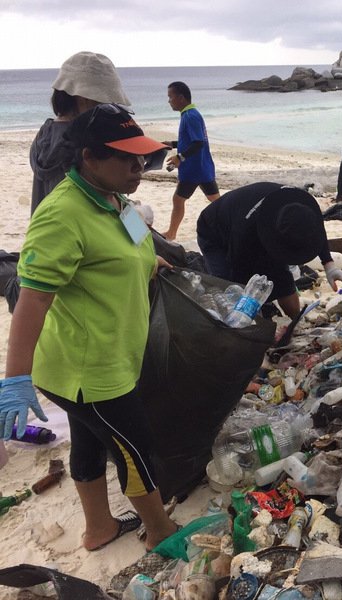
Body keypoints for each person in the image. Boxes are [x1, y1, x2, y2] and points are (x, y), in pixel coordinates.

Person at [0, 104, 178, 551]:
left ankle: (98, 528)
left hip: (108, 360)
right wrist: (15, 378)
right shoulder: (61, 214)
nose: (139, 167)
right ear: (89, 157)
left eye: (144, 158)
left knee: (89, 442)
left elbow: (137, 249)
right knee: (135, 451)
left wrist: (153, 263)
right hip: (89, 373)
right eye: (127, 158)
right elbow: (33, 297)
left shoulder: (116, 200)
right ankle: (160, 531)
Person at [196, 182, 342, 320]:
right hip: (214, 232)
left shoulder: (300, 208)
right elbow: (239, 280)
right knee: (229, 287)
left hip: (262, 222)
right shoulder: (244, 234)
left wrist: (329, 265)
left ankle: (296, 321)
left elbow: (316, 231)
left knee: (280, 275)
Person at [29, 51, 131, 215]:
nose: (111, 108)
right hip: (80, 235)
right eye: (107, 102)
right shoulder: (85, 141)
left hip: (47, 227)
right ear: (85, 99)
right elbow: (106, 201)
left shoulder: (45, 132)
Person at [163, 81, 220, 240]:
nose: (169, 101)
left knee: (178, 199)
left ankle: (171, 233)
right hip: (202, 168)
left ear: (180, 98)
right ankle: (230, 225)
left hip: (194, 170)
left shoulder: (190, 116)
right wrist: (173, 144)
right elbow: (191, 140)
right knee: (216, 201)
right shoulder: (191, 114)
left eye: (170, 97)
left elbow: (199, 142)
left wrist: (179, 157)